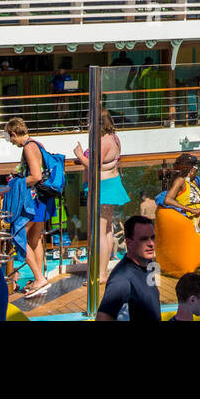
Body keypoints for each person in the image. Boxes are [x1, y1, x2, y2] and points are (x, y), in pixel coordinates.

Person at [73, 108, 130, 285]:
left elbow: (95, 166)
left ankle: (101, 274)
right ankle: (102, 271)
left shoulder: (103, 141)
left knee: (99, 232)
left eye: (90, 121)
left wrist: (80, 155)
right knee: (106, 231)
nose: (88, 124)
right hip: (109, 185)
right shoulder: (114, 138)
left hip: (102, 188)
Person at [4, 117, 56, 297]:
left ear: (13, 133)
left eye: (10, 138)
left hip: (32, 201)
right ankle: (39, 277)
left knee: (17, 236)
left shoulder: (28, 147)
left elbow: (35, 176)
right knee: (35, 239)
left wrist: (15, 184)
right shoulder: (37, 144)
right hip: (42, 200)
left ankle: (39, 278)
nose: (11, 143)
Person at [96, 215, 161, 322]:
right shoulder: (121, 279)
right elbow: (102, 317)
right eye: (144, 239)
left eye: (152, 237)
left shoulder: (148, 264)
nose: (151, 244)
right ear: (129, 243)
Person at [163, 152, 200, 233]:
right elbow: (168, 200)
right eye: (196, 169)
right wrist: (191, 210)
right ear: (192, 170)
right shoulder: (180, 181)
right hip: (194, 220)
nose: (196, 172)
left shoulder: (193, 183)